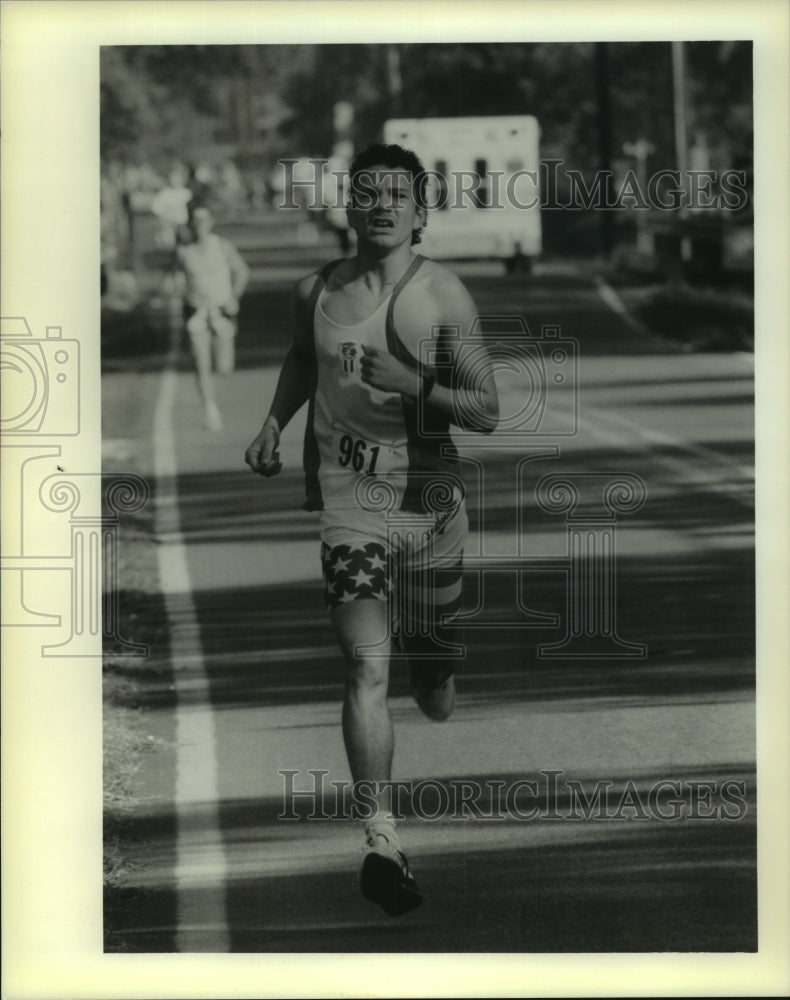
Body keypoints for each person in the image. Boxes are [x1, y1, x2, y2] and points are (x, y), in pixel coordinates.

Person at [244, 144, 499, 916]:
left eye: (397, 195)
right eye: (367, 194)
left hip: (429, 508)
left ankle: (437, 665)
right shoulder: (313, 289)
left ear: (421, 213)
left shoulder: (443, 297)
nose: (380, 205)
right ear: (347, 208)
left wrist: (413, 382)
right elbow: (301, 357)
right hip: (350, 509)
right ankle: (382, 838)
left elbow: (488, 409)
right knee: (364, 665)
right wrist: (273, 423)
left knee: (433, 688)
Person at [176, 201, 249, 430]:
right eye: (195, 222)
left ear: (211, 223)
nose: (199, 226)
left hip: (222, 312)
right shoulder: (184, 252)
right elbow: (176, 280)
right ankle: (210, 408)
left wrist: (234, 296)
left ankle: (212, 399)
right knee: (201, 363)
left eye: (204, 221)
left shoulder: (223, 246)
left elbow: (242, 271)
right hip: (196, 312)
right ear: (191, 224)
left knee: (224, 367)